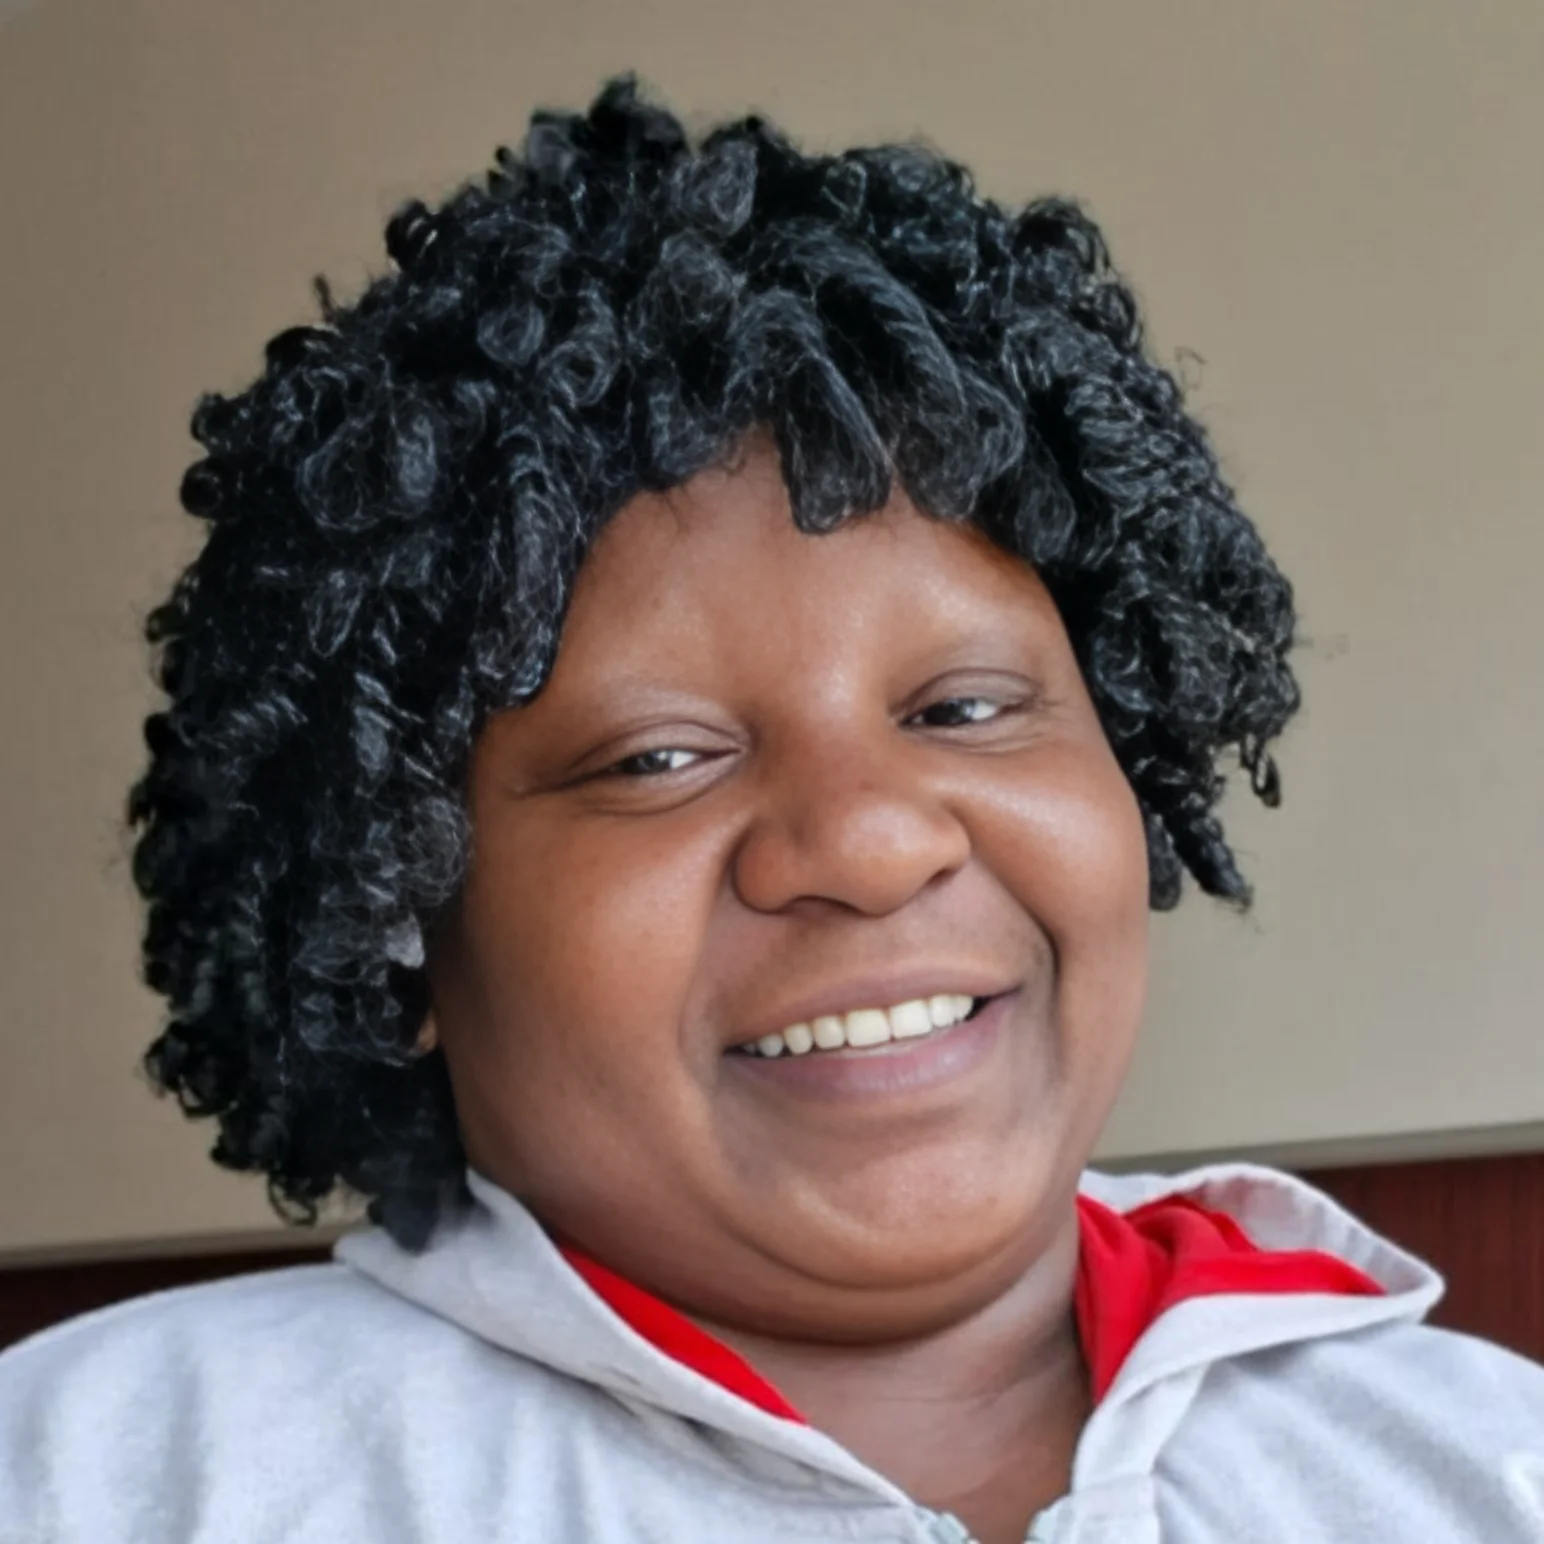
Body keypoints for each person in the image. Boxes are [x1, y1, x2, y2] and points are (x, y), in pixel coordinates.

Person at [1, 74, 1540, 1544]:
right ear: (391, 917)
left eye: (964, 710)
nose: (872, 841)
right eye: (656, 758)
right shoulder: (108, 1478)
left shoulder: (1487, 1465)